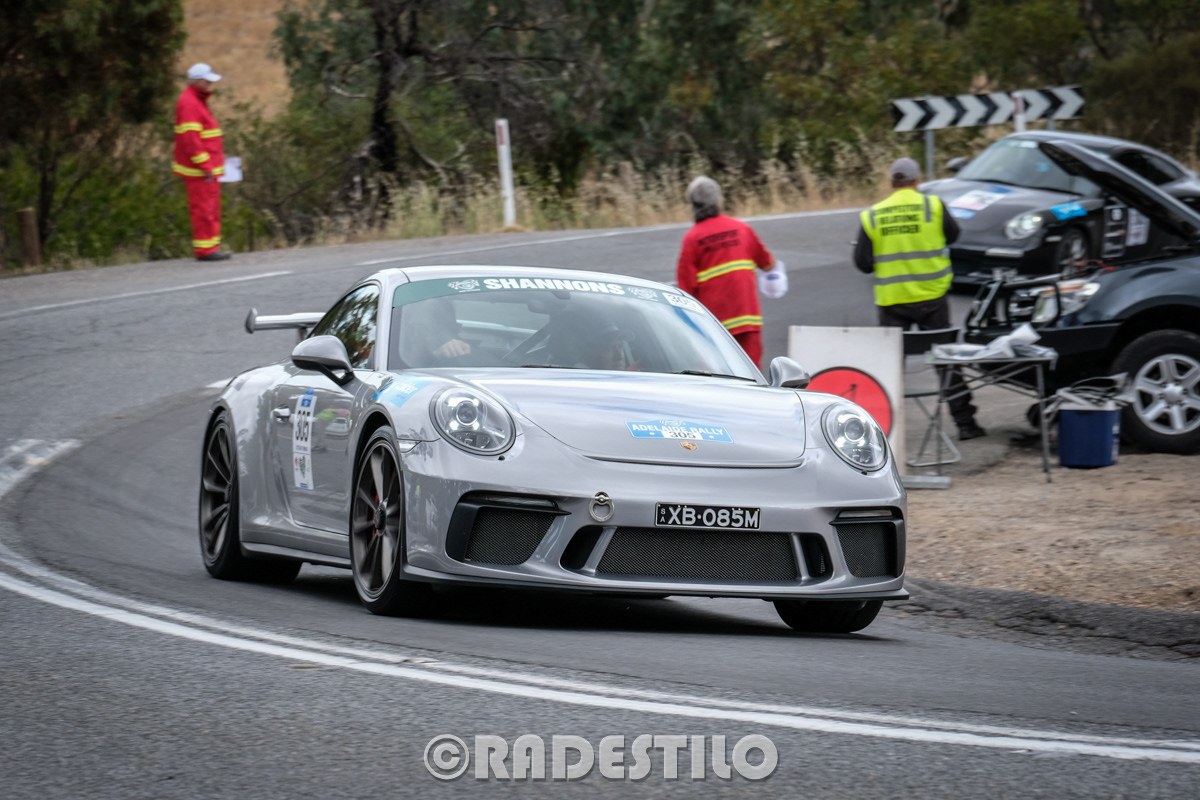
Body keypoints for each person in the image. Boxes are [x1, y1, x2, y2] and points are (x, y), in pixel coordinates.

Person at [853, 157, 985, 440]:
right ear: (917, 181)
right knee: (946, 361)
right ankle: (966, 424)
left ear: (892, 183)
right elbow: (953, 236)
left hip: (892, 302)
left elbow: (862, 263)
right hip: (932, 298)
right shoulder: (932, 206)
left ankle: (881, 431)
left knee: (889, 368)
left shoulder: (874, 215)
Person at [676, 176, 775, 366]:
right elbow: (767, 264)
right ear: (718, 200)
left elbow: (685, 290)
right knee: (752, 374)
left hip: (715, 327)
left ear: (693, 205)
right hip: (747, 319)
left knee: (721, 375)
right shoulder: (742, 229)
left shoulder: (692, 239)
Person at [174, 63, 230, 261]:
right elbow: (191, 140)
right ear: (197, 80)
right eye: (207, 80)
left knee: (211, 209)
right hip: (200, 170)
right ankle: (205, 250)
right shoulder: (190, 103)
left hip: (207, 168)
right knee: (203, 210)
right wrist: (205, 166)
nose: (209, 84)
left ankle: (211, 247)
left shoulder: (196, 100)